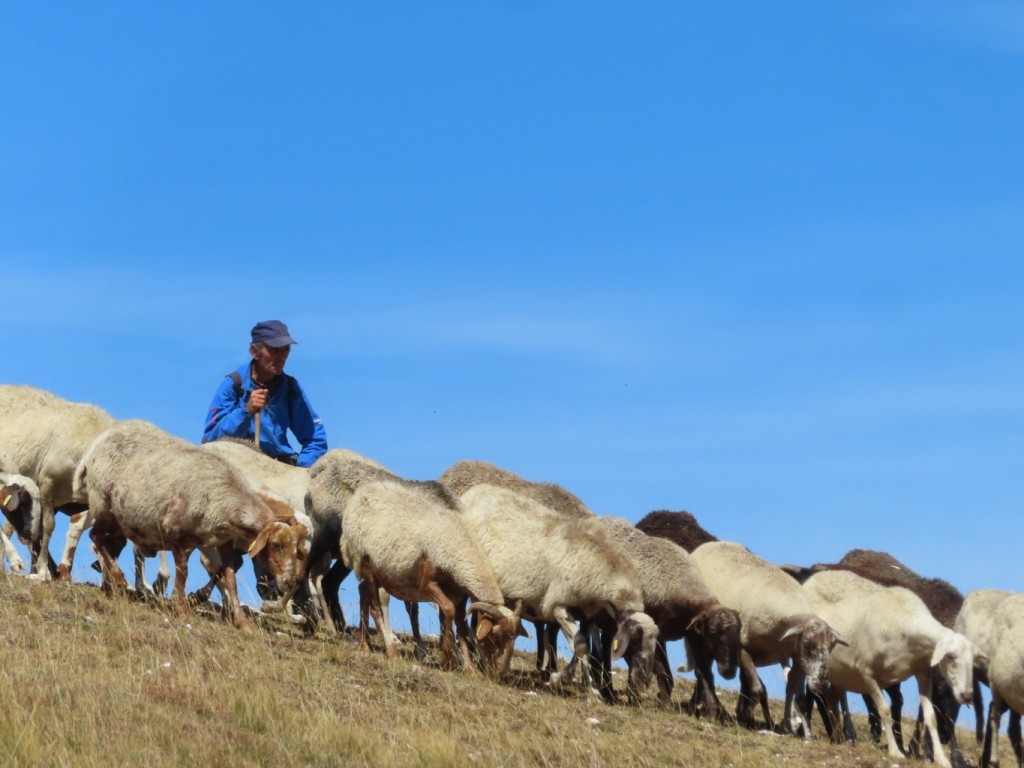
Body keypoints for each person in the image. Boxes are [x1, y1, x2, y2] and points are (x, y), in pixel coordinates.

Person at [203, 320, 328, 467]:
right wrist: (245, 411)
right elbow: (211, 440)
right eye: (275, 350)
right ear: (255, 352)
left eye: (286, 349)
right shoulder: (234, 384)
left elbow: (315, 438)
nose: (282, 357)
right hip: (240, 467)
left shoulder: (290, 388)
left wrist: (301, 470)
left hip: (280, 469)